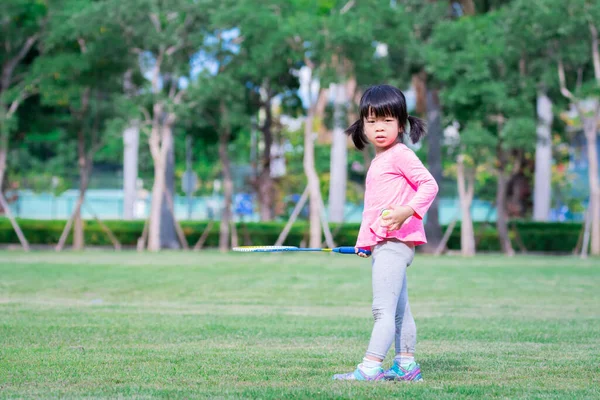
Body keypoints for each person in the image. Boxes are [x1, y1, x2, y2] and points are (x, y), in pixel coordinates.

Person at [333, 85, 439, 382]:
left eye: (388, 120)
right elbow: (374, 209)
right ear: (362, 125)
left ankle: (369, 369)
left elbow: (430, 185)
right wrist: (365, 243)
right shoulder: (380, 160)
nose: (379, 127)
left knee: (382, 310)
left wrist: (408, 211)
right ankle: (406, 367)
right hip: (385, 245)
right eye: (372, 121)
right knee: (399, 311)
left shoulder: (400, 155)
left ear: (402, 124)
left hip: (395, 244)